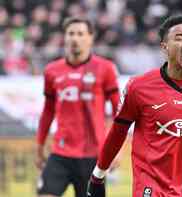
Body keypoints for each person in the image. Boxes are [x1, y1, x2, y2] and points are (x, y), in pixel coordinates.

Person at [87, 15, 182, 197]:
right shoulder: (139, 87)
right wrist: (98, 174)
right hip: (150, 188)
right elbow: (118, 133)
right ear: (164, 47)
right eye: (180, 38)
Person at [35, 17, 120, 197]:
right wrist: (40, 144)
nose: (75, 38)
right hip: (61, 152)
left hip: (93, 156)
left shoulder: (105, 68)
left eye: (80, 34)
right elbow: (47, 111)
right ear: (64, 38)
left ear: (90, 38)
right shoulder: (52, 70)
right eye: (71, 33)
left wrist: (116, 150)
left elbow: (118, 113)